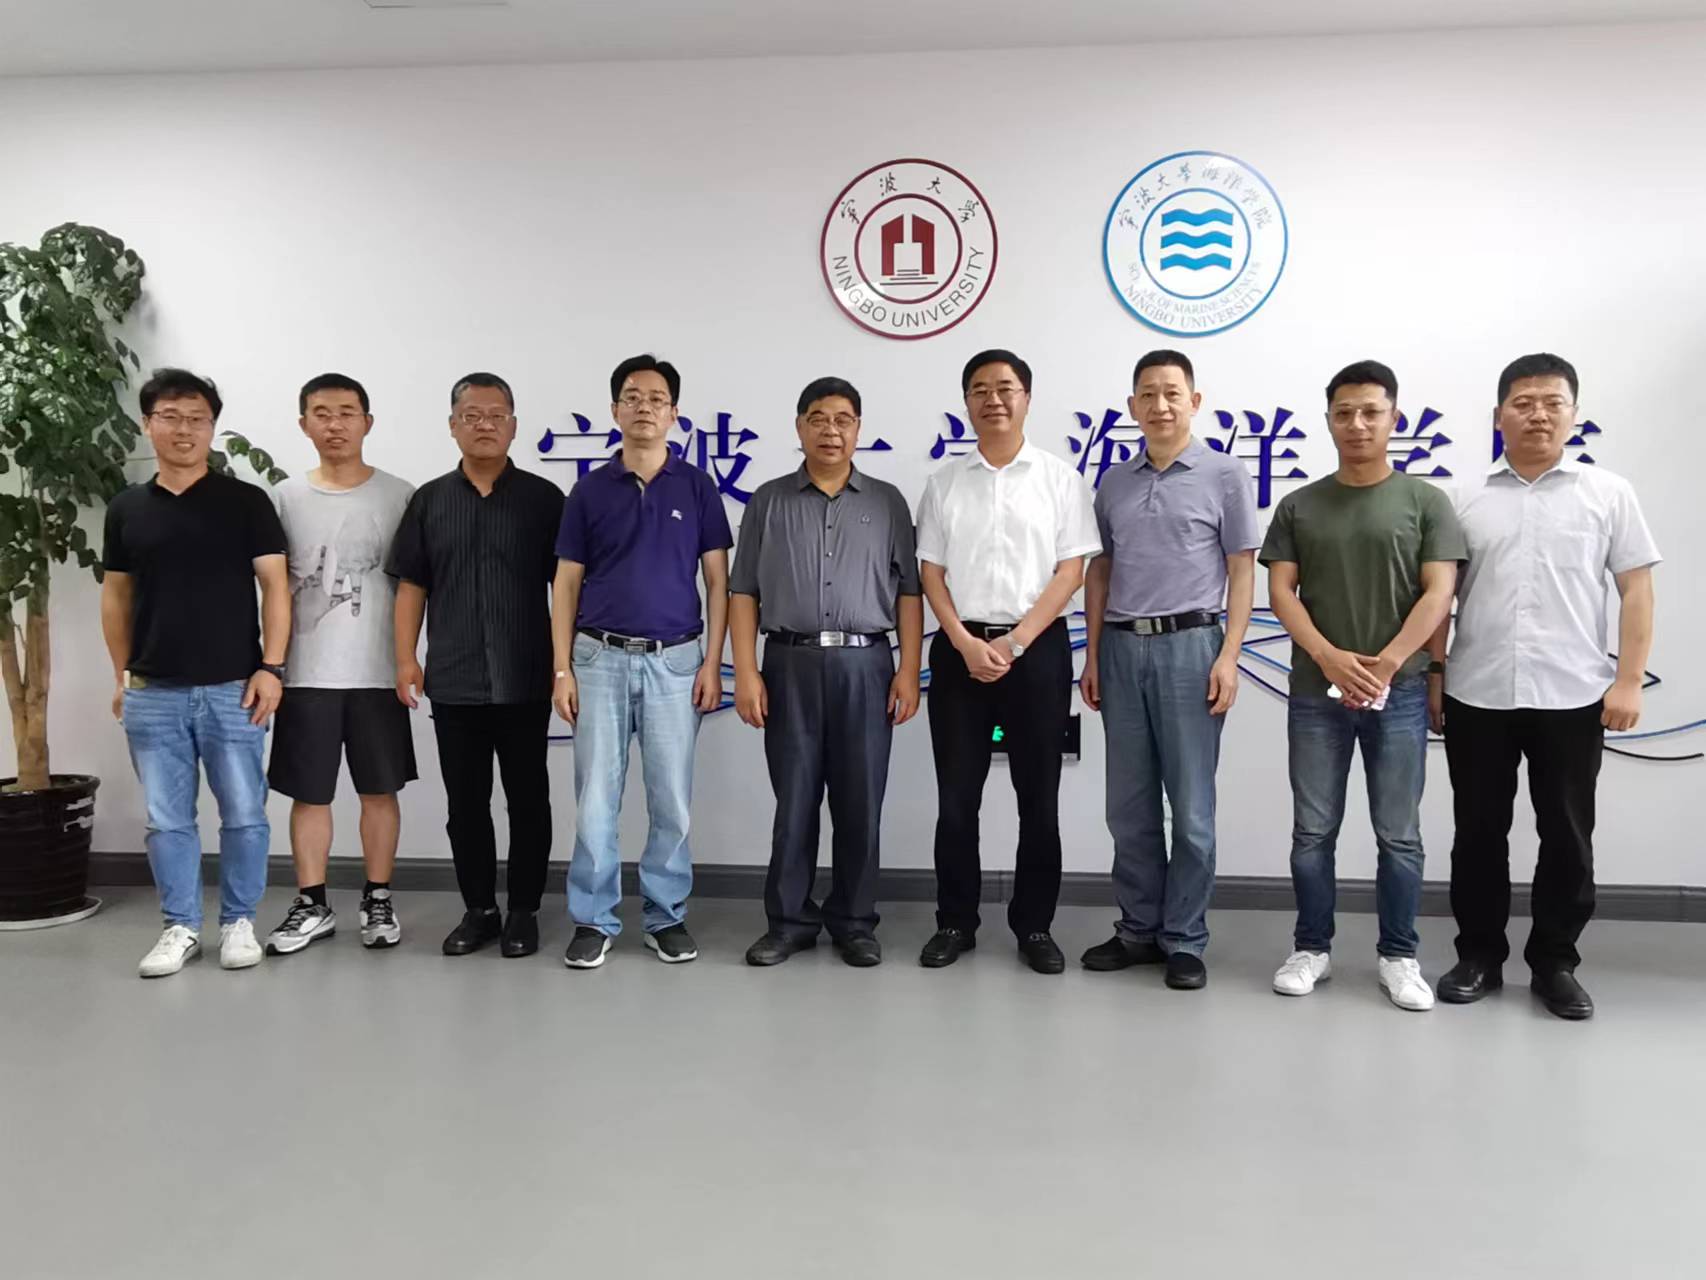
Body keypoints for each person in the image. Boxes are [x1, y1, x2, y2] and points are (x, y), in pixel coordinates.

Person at [1431, 353, 1659, 1021]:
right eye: (1523, 402)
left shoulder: (1608, 493)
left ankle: (1555, 962)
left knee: (1567, 834)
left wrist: (1628, 681)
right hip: (1478, 692)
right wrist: (1436, 676)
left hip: (1573, 693)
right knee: (1478, 832)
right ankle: (1479, 955)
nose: (1538, 414)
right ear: (1498, 415)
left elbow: (1637, 591)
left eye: (1553, 402)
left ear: (1574, 414)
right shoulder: (1462, 497)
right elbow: (1439, 599)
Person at [1260, 359, 1464, 1012]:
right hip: (1314, 693)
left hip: (1398, 693)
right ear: (1328, 421)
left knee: (1398, 834)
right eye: (1344, 413)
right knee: (1312, 832)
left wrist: (1387, 663)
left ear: (1393, 419)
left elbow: (1439, 593)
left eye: (1371, 412)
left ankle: (1399, 956)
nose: (1357, 423)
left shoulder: (1425, 502)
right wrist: (1327, 657)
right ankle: (1311, 948)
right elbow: (1281, 591)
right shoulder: (1300, 505)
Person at [915, 349, 1101, 974]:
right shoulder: (944, 483)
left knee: (1038, 799)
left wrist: (1016, 643)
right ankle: (955, 922)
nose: (993, 399)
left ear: (1027, 397)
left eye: (1005, 388)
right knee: (956, 799)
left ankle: (1035, 926)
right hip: (960, 652)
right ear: (966, 402)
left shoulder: (1060, 479)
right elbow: (931, 573)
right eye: (980, 389)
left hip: (1037, 651)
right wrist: (965, 643)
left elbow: (1071, 571)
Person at [1078, 350, 1258, 990]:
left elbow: (1241, 569)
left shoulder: (1225, 474)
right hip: (1123, 648)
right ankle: (1138, 929)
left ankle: (1184, 937)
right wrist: (1092, 654)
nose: (1160, 405)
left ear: (1194, 401)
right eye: (1148, 395)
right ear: (1132, 406)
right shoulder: (1114, 483)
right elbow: (1100, 570)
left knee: (1191, 808)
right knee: (1127, 806)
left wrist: (1229, 655)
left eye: (1172, 393)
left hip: (1192, 647)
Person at [100, 368, 289, 977]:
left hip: (235, 687)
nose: (184, 430)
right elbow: (116, 597)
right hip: (153, 691)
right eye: (171, 417)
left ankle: (238, 923)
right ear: (147, 423)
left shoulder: (246, 502)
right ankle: (179, 926)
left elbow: (276, 587)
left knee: (245, 814)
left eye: (197, 419)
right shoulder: (126, 508)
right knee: (167, 820)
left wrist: (272, 667)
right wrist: (122, 675)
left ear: (212, 428)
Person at [730, 377, 923, 968]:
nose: (830, 431)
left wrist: (908, 670)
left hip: (867, 665)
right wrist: (746, 672)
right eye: (818, 418)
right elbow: (743, 591)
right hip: (788, 663)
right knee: (794, 800)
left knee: (860, 801)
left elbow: (909, 592)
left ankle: (855, 922)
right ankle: (789, 921)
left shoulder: (887, 502)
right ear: (799, 427)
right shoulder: (769, 500)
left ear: (858, 429)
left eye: (843, 419)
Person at [551, 355, 731, 968]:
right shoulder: (589, 491)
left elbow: (718, 582)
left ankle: (665, 915)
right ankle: (593, 919)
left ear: (674, 413)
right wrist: (561, 669)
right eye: (632, 397)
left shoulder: (696, 487)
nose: (644, 407)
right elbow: (566, 584)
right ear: (614, 411)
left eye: (656, 398)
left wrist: (713, 663)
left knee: (671, 799)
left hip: (676, 663)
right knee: (595, 801)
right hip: (597, 659)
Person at [385, 372, 562, 959]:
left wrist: (566, 665)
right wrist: (406, 658)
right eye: (472, 415)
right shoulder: (429, 501)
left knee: (528, 801)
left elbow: (566, 590)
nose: (484, 425)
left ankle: (524, 911)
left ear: (513, 425)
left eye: (496, 415)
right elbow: (412, 585)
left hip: (526, 676)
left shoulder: (544, 500)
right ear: (453, 425)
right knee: (465, 806)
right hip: (455, 679)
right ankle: (480, 910)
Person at [262, 374, 416, 955]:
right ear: (304, 423)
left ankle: (379, 898)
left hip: (378, 672)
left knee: (380, 791)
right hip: (305, 674)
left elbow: (415, 586)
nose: (335, 424)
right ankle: (312, 903)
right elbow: (271, 587)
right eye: (322, 413)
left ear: (367, 423)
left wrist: (407, 659)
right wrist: (271, 665)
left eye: (347, 413)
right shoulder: (283, 498)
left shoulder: (401, 496)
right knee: (310, 795)